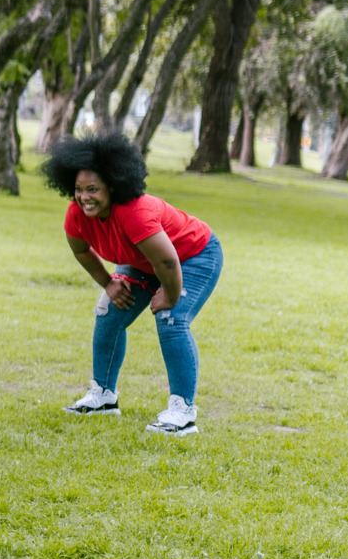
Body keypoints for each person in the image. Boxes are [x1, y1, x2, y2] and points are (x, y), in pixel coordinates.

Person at [47, 132, 221, 436]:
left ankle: (182, 412)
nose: (84, 197)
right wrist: (108, 284)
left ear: (113, 187)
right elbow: (80, 250)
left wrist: (170, 294)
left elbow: (167, 263)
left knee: (171, 319)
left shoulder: (134, 213)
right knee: (108, 310)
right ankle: (103, 397)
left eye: (93, 189)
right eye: (78, 189)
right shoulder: (76, 214)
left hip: (193, 255)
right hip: (145, 260)